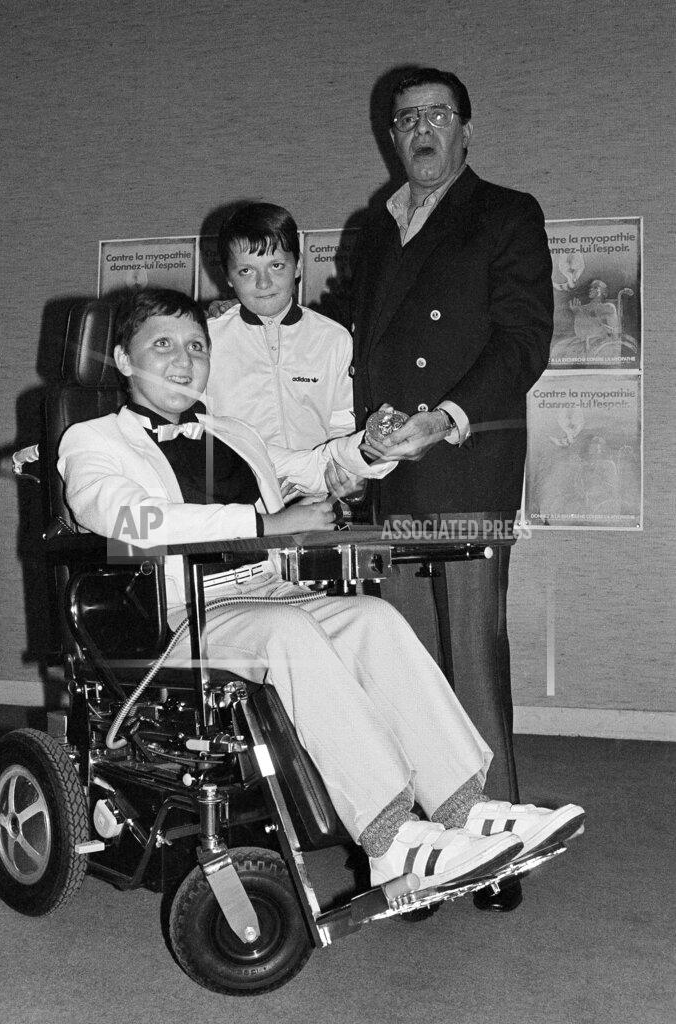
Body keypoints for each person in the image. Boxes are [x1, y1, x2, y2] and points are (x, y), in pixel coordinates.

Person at [58, 287, 583, 893]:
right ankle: (391, 841)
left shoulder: (235, 434)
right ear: (124, 359)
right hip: (181, 613)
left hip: (268, 591)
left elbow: (314, 467)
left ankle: (466, 807)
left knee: (373, 619)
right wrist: (261, 524)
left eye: (197, 346)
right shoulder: (92, 440)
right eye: (163, 345)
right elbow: (125, 517)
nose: (184, 360)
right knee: (290, 633)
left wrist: (371, 445)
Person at [351, 67, 555, 910]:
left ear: (466, 130)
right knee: (404, 665)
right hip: (392, 470)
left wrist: (445, 417)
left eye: (438, 114)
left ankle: (498, 847)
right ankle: (427, 851)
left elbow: (524, 341)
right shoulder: (375, 228)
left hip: (467, 459)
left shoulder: (506, 213)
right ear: (392, 136)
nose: (422, 129)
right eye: (407, 118)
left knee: (470, 654)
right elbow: (363, 347)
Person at [205, 203, 364, 500]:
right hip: (238, 507)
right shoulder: (206, 341)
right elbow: (197, 433)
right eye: (246, 271)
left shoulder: (334, 339)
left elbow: (343, 430)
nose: (263, 283)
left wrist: (352, 482)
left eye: (276, 265)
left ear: (298, 266)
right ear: (228, 276)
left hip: (317, 505)